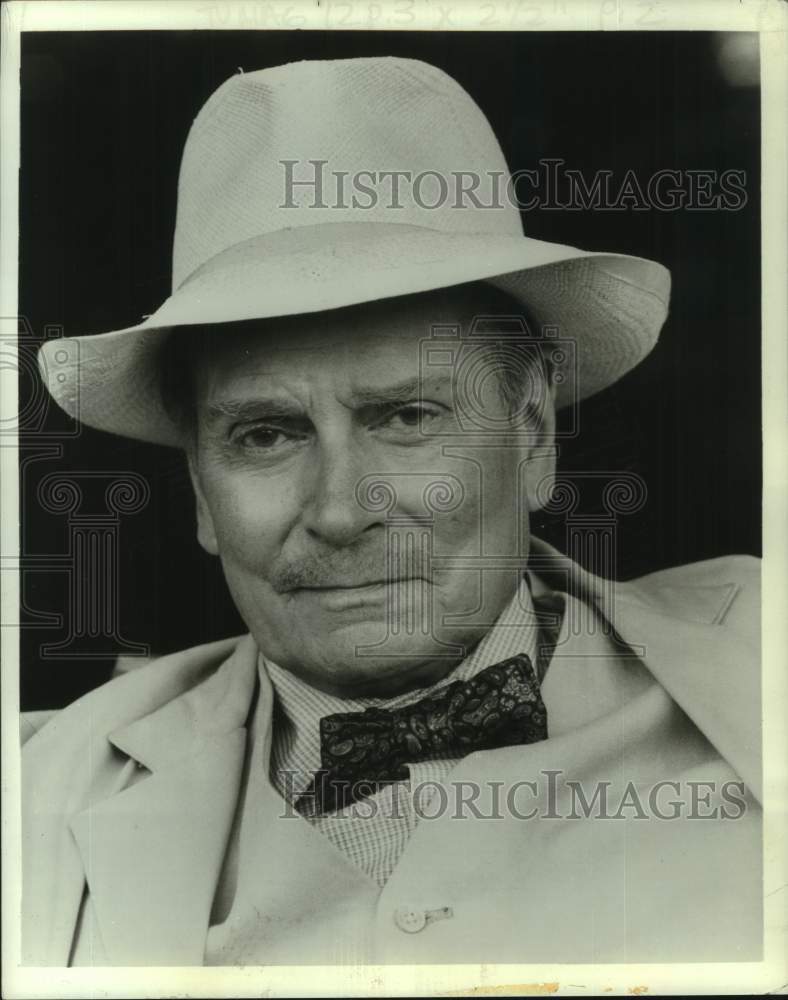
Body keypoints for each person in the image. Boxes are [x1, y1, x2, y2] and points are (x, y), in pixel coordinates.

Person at [22, 56, 761, 967]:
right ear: (200, 490)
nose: (339, 510)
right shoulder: (37, 794)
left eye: (406, 417)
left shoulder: (765, 667)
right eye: (265, 435)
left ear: (532, 436)